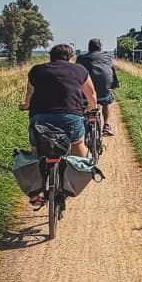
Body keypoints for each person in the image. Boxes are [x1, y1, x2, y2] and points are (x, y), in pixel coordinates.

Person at [20, 44, 97, 204]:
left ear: (50, 57)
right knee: (78, 144)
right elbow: (91, 94)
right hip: (70, 117)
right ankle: (74, 183)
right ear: (71, 57)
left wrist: (26, 105)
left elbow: (30, 93)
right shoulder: (80, 70)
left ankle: (35, 193)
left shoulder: (36, 70)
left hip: (40, 118)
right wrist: (92, 108)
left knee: (37, 152)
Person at [76, 38, 119, 135]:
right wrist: (113, 84)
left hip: (85, 95)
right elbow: (111, 71)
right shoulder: (108, 57)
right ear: (100, 47)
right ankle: (107, 125)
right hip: (103, 92)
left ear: (89, 48)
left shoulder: (80, 59)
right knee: (107, 101)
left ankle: (82, 127)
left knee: (82, 104)